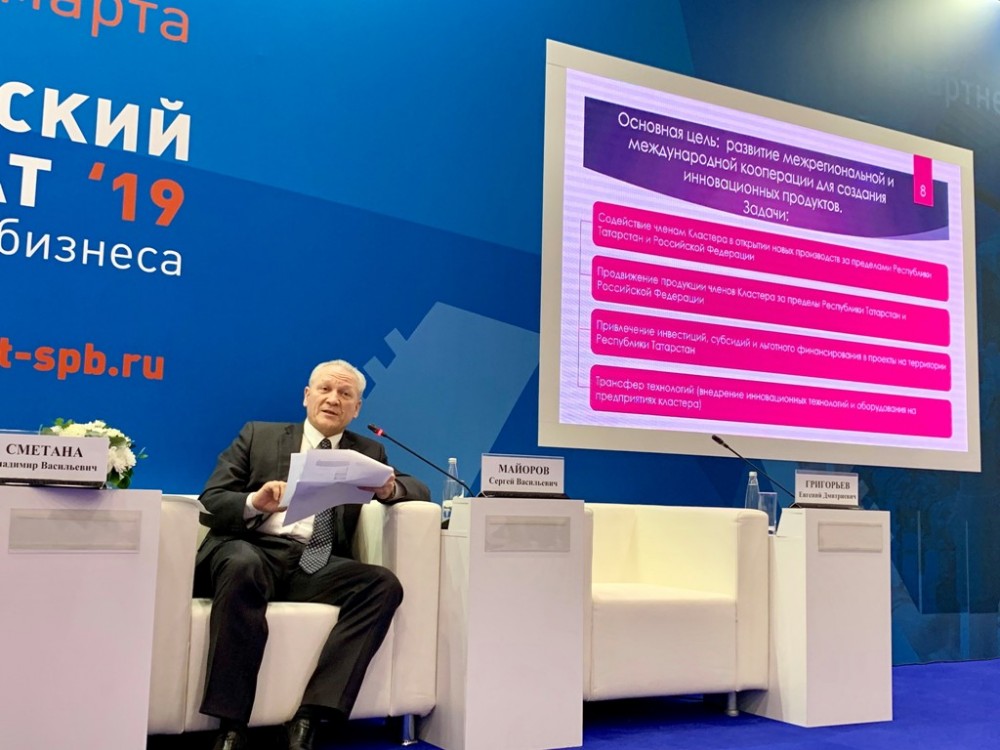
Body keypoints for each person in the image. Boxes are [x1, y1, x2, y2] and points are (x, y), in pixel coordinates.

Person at [194, 359, 431, 750]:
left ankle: (311, 717)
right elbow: (212, 500)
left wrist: (390, 490)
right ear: (307, 396)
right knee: (242, 565)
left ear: (357, 408)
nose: (333, 399)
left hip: (313, 563)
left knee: (382, 585)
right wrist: (254, 503)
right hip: (252, 548)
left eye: (345, 394)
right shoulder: (258, 436)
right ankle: (231, 725)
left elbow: (418, 488)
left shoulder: (367, 451)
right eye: (325, 389)